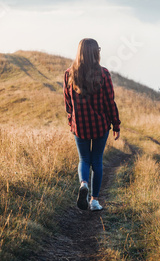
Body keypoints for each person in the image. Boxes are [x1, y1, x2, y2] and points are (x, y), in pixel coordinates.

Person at [64, 38, 121, 211]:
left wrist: (71, 122)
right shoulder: (103, 74)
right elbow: (110, 102)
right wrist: (116, 125)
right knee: (97, 160)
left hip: (79, 126)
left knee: (83, 159)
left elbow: (68, 103)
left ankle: (83, 184)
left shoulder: (69, 73)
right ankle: (94, 201)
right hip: (100, 125)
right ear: (96, 52)